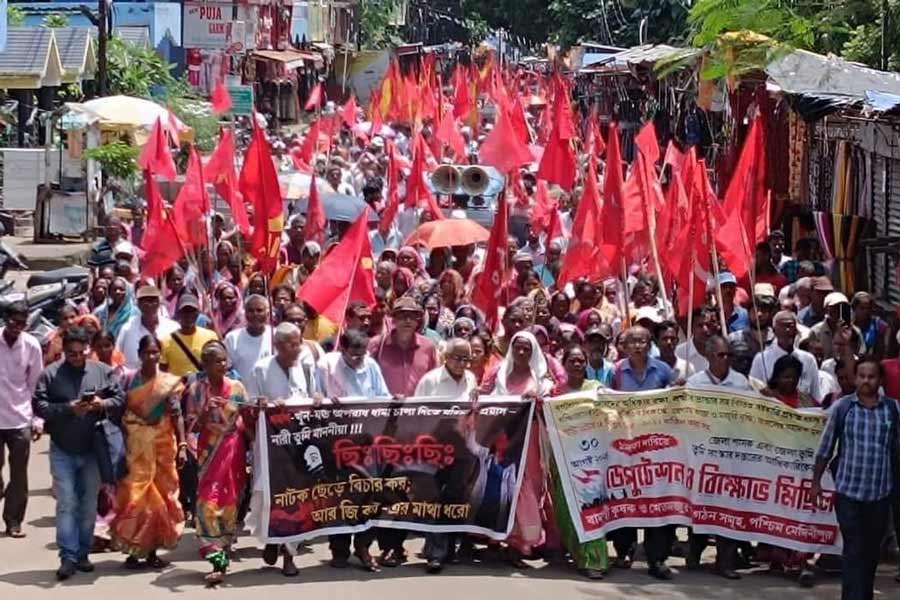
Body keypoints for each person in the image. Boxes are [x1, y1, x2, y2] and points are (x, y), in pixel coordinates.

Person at [32, 326, 124, 580]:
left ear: (88, 350)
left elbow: (120, 400)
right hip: (63, 448)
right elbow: (39, 406)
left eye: (80, 352)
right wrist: (67, 409)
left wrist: (101, 404)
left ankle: (83, 553)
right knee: (67, 503)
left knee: (87, 505)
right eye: (71, 354)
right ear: (64, 351)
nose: (76, 357)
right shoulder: (50, 375)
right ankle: (68, 557)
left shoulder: (103, 372)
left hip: (94, 449)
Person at [811, 359, 899, 600]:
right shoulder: (843, 408)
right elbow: (825, 448)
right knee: (853, 550)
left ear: (880, 380)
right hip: (849, 494)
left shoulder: (892, 409)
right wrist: (815, 483)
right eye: (862, 376)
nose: (866, 381)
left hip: (879, 495)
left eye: (871, 376)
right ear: (855, 378)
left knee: (871, 554)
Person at [110, 335, 187, 569]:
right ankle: (133, 550)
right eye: (147, 353)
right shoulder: (128, 380)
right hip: (135, 446)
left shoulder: (168, 383)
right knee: (135, 497)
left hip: (162, 446)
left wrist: (182, 445)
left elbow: (176, 414)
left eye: (155, 352)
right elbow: (118, 411)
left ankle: (152, 550)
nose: (151, 357)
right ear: (140, 354)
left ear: (160, 354)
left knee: (161, 498)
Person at [183, 340, 254, 585]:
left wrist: (254, 450)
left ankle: (220, 562)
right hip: (208, 452)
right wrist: (204, 412)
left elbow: (249, 418)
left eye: (224, 360)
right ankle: (216, 556)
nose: (222, 365)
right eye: (216, 361)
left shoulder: (237, 388)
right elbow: (192, 425)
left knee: (229, 505)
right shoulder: (196, 391)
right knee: (206, 505)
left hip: (233, 452)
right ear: (206, 364)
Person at [316, 328, 386, 571]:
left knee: (370, 496)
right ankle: (339, 550)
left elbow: (383, 397)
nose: (359, 359)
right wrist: (325, 400)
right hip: (339, 446)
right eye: (354, 354)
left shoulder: (372, 366)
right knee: (341, 497)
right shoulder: (327, 368)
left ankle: (365, 546)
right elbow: (316, 399)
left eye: (363, 353)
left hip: (368, 445)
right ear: (342, 349)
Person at [611, 326, 676, 579]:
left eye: (642, 341)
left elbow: (675, 404)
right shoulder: (616, 371)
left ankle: (656, 558)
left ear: (650, 344)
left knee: (656, 501)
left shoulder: (663, 370)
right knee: (626, 496)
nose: (637, 345)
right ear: (624, 346)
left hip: (657, 448)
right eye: (632, 341)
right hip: (625, 446)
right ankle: (624, 550)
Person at [484, 331, 552, 566]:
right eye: (518, 347)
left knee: (528, 490)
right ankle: (503, 539)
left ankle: (521, 541)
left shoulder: (542, 381)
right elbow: (487, 401)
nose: (521, 352)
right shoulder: (499, 375)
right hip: (504, 442)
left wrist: (539, 400)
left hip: (531, 442)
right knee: (507, 487)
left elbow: (550, 411)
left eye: (527, 348)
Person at [685, 335, 750, 579]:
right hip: (703, 458)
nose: (725, 360)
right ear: (709, 356)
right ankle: (694, 553)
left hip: (732, 458)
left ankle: (725, 562)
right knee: (702, 506)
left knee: (728, 509)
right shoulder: (695, 382)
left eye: (728, 356)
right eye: (721, 355)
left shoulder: (740, 382)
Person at [414, 338, 477, 574]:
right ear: (445, 357)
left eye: (466, 359)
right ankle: (434, 554)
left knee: (454, 499)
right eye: (457, 358)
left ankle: (449, 548)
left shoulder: (471, 379)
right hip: (435, 450)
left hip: (462, 451)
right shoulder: (430, 381)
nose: (462, 364)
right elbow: (417, 414)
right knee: (434, 501)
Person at [0, 301, 43, 538]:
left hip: (20, 418)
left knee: (18, 474)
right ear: (5, 320)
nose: (17, 327)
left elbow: (35, 385)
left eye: (22, 323)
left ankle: (13, 520)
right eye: (14, 321)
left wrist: (37, 419)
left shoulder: (32, 346)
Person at [369, 297, 439, 399]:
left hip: (418, 410)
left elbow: (435, 380)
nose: (408, 321)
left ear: (417, 321)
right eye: (402, 316)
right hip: (384, 409)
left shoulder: (428, 347)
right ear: (394, 319)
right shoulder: (377, 344)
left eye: (412, 317)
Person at [749, 311, 821, 402]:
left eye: (790, 326)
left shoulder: (808, 359)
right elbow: (753, 391)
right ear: (774, 331)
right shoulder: (761, 359)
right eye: (783, 326)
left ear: (796, 331)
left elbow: (815, 394)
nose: (787, 330)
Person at [116, 285, 178, 369]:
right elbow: (117, 357)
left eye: (153, 300)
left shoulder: (172, 328)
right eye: (145, 301)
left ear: (159, 303)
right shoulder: (127, 329)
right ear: (138, 304)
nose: (149, 304)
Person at [160, 294, 219, 378]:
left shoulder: (210, 336)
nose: (188, 315)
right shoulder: (166, 340)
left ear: (198, 313)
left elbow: (217, 364)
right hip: (177, 389)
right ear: (179, 313)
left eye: (192, 311)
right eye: (185, 311)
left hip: (203, 388)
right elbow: (163, 373)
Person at [224, 295, 273, 380]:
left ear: (267, 313)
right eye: (251, 310)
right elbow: (227, 368)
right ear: (245, 313)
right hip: (241, 391)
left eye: (259, 310)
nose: (255, 314)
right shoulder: (232, 338)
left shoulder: (275, 336)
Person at [675, 307, 714, 375]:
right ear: (692, 328)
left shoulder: (722, 352)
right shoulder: (679, 353)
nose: (705, 330)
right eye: (700, 325)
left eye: (708, 325)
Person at [851, 292, 890, 360]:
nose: (865, 311)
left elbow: (886, 347)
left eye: (868, 308)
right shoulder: (849, 326)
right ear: (854, 308)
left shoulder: (877, 324)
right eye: (862, 308)